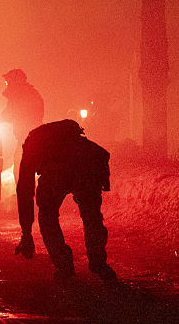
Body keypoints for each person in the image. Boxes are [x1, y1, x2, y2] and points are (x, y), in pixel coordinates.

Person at [13, 119, 117, 282]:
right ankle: (98, 263)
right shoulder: (82, 144)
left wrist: (26, 234)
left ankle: (64, 264)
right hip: (86, 167)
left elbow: (25, 189)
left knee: (47, 217)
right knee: (92, 217)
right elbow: (100, 157)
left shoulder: (31, 143)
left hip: (56, 173)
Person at [0, 68, 44, 179]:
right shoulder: (30, 93)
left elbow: (11, 112)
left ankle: (25, 195)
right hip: (33, 137)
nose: (7, 84)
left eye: (8, 81)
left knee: (21, 167)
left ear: (15, 81)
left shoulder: (20, 95)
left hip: (28, 138)